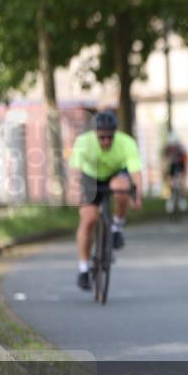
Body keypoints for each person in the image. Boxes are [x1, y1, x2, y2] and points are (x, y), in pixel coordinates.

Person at [69, 110, 143, 290]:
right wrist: (74, 192)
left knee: (122, 188)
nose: (106, 141)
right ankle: (84, 269)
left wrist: (137, 196)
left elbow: (135, 173)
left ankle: (117, 226)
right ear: (95, 133)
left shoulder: (126, 143)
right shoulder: (83, 142)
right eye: (102, 137)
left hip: (114, 175)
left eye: (110, 137)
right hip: (90, 177)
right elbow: (74, 172)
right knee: (89, 220)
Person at [162, 132, 188, 212]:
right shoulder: (167, 148)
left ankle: (183, 199)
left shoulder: (182, 148)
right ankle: (170, 198)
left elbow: (186, 160)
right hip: (172, 166)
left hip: (181, 165)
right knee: (170, 182)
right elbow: (165, 160)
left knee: (182, 181)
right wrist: (164, 171)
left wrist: (185, 172)